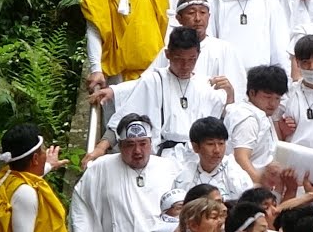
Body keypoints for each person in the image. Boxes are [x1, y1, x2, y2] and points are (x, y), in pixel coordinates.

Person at [88, 27, 235, 160]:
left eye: (191, 60)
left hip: (198, 159)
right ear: (168, 54)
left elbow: (224, 120)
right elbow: (123, 119)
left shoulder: (205, 85)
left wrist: (230, 95)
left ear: (198, 55)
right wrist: (100, 149)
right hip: (163, 158)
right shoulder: (153, 81)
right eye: (179, 59)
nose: (185, 66)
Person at [72, 115, 180, 232]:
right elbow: (83, 204)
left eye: (143, 143)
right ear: (120, 145)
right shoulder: (101, 168)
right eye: (130, 145)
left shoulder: (169, 168)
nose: (137, 151)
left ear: (151, 143)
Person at [147, 0, 245, 103]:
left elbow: (238, 92)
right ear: (179, 18)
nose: (198, 18)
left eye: (203, 12)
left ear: (209, 16)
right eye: (191, 13)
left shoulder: (225, 49)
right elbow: (150, 85)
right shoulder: (172, 50)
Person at [226, 64, 289, 186]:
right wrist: (261, 187)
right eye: (267, 97)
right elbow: (241, 158)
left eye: (277, 98)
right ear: (252, 93)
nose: (273, 103)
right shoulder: (247, 118)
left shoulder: (263, 113)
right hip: (247, 188)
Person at [173, 117, 253, 201]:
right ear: (195, 147)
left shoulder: (236, 175)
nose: (217, 150)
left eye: (221, 143)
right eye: (210, 144)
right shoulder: (184, 176)